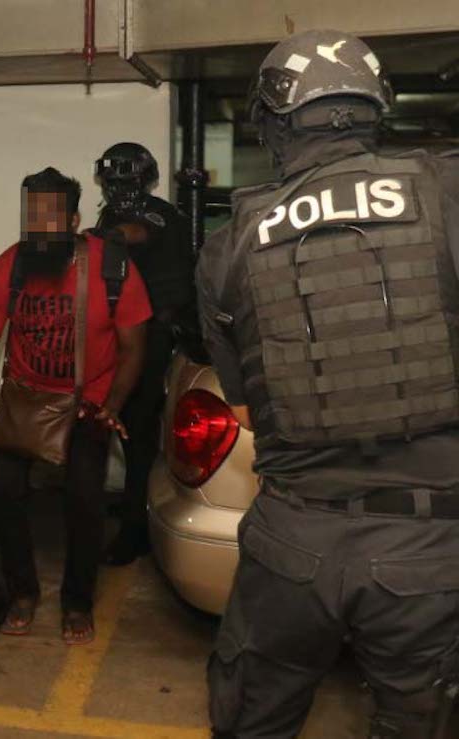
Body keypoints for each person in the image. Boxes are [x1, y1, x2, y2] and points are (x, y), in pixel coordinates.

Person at [198, 29, 459, 738]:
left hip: (294, 543)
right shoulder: (445, 194)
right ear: (376, 106)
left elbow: (248, 407)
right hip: (430, 548)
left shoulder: (231, 244)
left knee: (255, 716)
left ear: (275, 123)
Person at [0, 167, 150, 646]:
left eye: (50, 217)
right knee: (3, 490)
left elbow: (135, 347)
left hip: (87, 400)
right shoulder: (10, 266)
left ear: (74, 220)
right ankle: (22, 592)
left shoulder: (110, 267)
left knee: (84, 499)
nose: (38, 227)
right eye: (31, 217)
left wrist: (112, 404)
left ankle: (77, 601)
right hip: (26, 398)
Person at [92, 142, 195, 566]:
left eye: (126, 181)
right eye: (112, 181)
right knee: (120, 426)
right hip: (118, 336)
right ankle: (136, 504)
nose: (118, 190)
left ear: (143, 180)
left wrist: (99, 236)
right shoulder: (110, 214)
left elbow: (140, 233)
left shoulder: (160, 214)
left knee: (136, 430)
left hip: (152, 338)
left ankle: (136, 529)